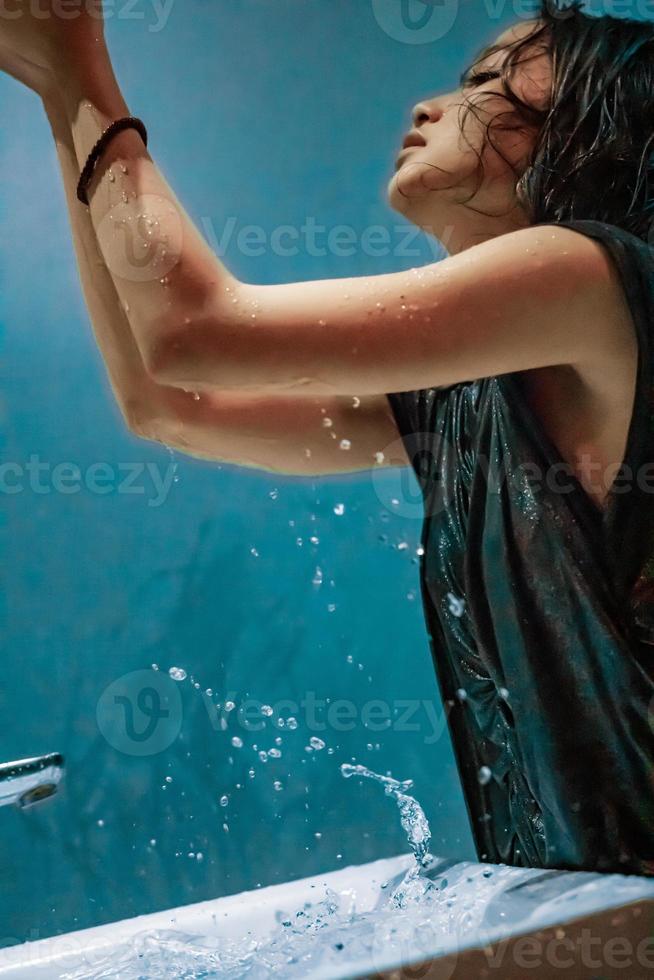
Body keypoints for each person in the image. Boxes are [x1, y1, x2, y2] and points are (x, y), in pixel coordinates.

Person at [3, 0, 654, 874]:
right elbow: (173, 398)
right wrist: (58, 94)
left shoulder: (586, 273)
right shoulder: (466, 393)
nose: (428, 107)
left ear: (596, 122)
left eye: (486, 81)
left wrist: (83, 65)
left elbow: (195, 330)